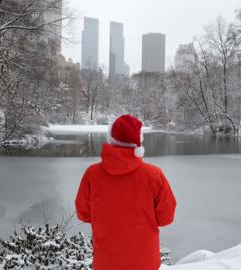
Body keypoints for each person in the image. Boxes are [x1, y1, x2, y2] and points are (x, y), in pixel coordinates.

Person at [75, 114, 177, 270]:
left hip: (106, 261)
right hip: (144, 262)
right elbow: (166, 218)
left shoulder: (92, 174)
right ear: (138, 144)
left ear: (110, 139)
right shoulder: (154, 175)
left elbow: (83, 213)